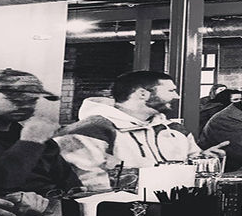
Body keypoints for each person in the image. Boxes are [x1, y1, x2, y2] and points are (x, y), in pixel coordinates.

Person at [54, 71, 227, 190]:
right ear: (143, 94)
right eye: (171, 90)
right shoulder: (89, 131)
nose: (177, 96)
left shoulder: (176, 130)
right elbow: (87, 186)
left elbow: (190, 170)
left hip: (172, 213)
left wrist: (202, 159)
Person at [0, 69, 81, 216]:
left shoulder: (36, 137)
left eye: (32, 100)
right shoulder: (32, 138)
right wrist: (30, 143)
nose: (26, 105)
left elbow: (71, 186)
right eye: (15, 99)